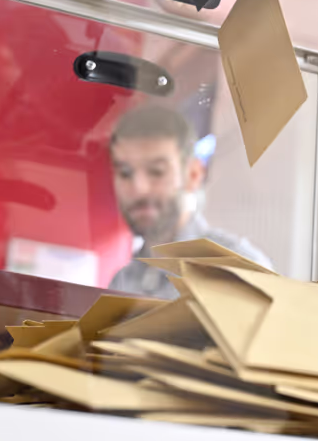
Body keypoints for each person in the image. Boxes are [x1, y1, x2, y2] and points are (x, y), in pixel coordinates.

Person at [107, 105, 271, 299]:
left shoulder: (239, 271)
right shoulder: (122, 281)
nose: (138, 188)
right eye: (125, 173)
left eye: (156, 171)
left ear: (193, 175)